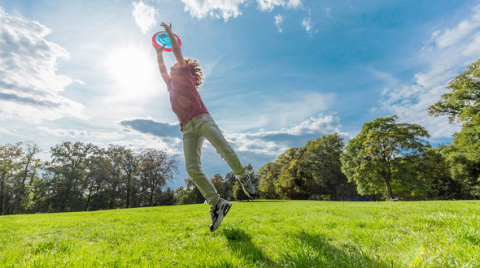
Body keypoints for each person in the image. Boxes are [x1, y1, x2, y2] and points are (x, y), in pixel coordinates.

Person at [153, 22, 256, 232]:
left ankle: (243, 177)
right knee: (192, 168)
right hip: (187, 129)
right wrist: (158, 52)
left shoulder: (186, 76)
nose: (172, 68)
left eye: (175, 67)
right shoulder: (170, 84)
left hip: (202, 119)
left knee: (223, 149)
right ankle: (216, 203)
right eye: (172, 68)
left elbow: (178, 51)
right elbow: (161, 69)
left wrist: (170, 35)